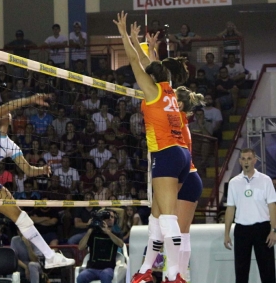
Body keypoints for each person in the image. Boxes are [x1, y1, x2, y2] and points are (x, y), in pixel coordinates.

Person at [0, 93, 74, 283]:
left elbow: (27, 170)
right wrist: (31, 100)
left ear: (9, 122)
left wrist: (41, 170)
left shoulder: (10, 145)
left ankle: (50, 257)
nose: (5, 113)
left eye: (8, 114)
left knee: (20, 215)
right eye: (4, 111)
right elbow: (9, 105)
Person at [114, 12, 191, 283]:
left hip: (167, 154)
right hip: (181, 153)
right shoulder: (169, 89)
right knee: (157, 216)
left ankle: (174, 274)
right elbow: (151, 64)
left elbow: (137, 63)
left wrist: (124, 35)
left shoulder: (153, 91)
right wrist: (145, 44)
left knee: (167, 217)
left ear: (151, 78)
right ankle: (146, 269)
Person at [224, 148, 276, 283]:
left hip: (262, 229)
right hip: (242, 230)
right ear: (240, 161)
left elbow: (272, 206)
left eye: (249, 158)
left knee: (268, 270)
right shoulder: (234, 182)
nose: (246, 161)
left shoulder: (265, 180)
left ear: (255, 160)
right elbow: (230, 208)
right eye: (243, 159)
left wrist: (274, 230)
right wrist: (226, 233)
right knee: (241, 271)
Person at [174, 86, 205, 280]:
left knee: (179, 233)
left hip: (186, 178)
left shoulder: (178, 122)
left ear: (180, 104)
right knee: (181, 233)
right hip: (185, 178)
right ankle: (180, 275)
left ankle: (179, 275)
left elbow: (182, 160)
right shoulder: (178, 121)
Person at [76, 209, 124, 283]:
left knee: (105, 274)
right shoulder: (94, 233)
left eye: (112, 217)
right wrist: (89, 230)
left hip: (108, 268)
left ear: (115, 220)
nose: (110, 219)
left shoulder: (116, 234)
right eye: (107, 217)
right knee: (81, 277)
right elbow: (80, 247)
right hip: (92, 269)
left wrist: (107, 232)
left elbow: (121, 244)